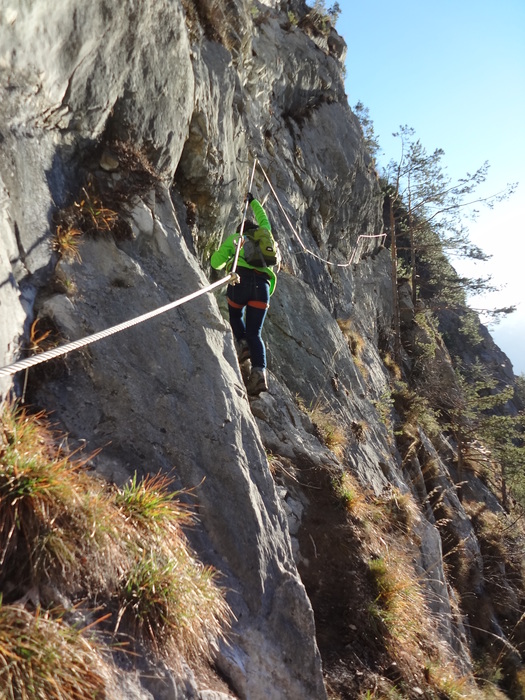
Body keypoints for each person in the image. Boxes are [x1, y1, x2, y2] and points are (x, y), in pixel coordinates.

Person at [211, 193, 278, 396]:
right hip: (262, 287)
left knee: (235, 314)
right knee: (255, 332)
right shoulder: (265, 233)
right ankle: (259, 373)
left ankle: (242, 344)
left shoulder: (236, 239)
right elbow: (263, 216)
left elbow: (216, 262)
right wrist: (253, 201)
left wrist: (227, 262)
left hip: (239, 282)